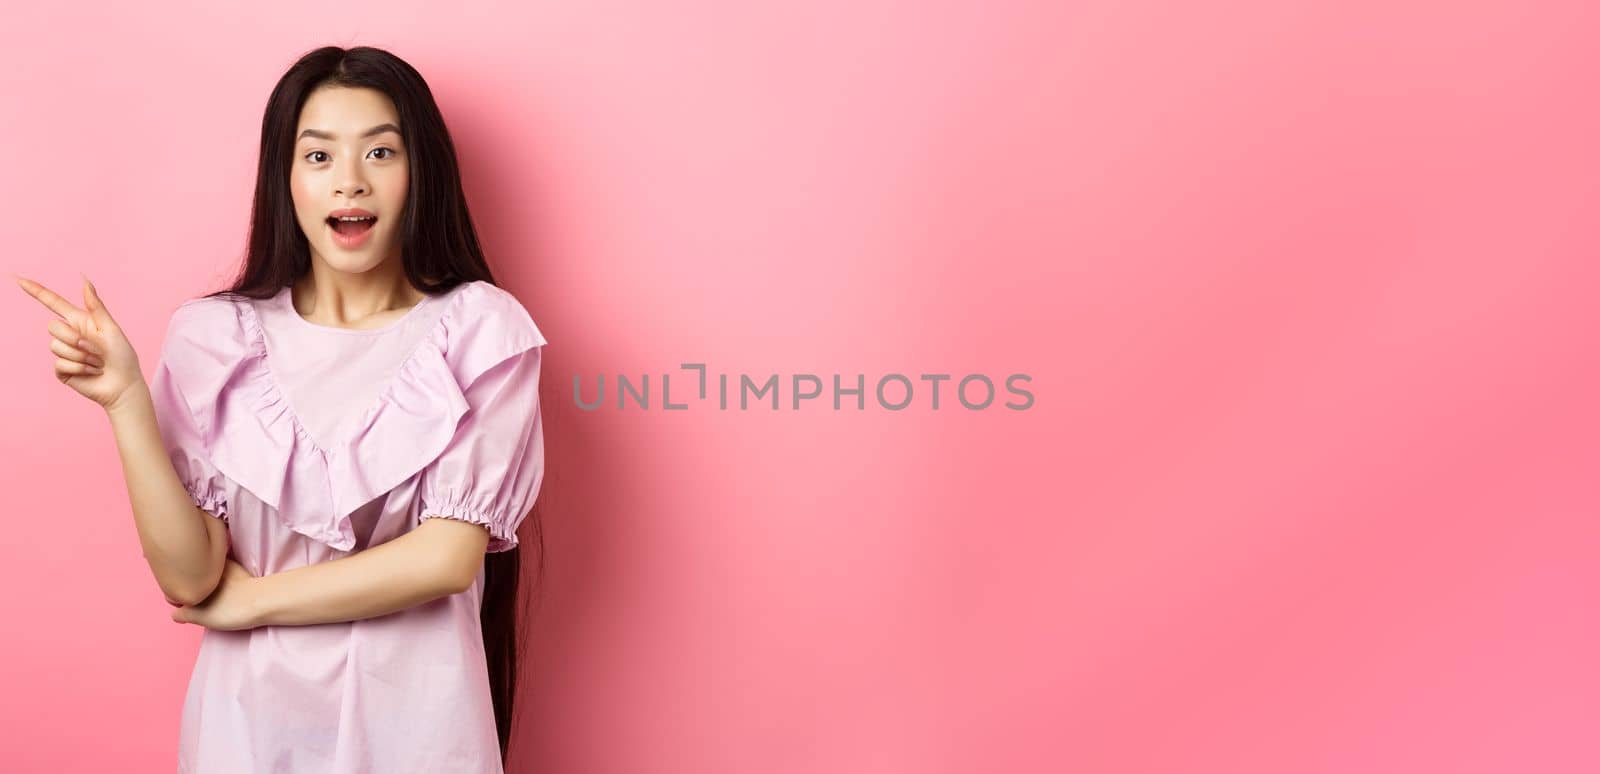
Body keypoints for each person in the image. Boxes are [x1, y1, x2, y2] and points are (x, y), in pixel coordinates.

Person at [14, 45, 547, 773]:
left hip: (420, 732)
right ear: (285, 177)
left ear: (421, 172)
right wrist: (127, 401)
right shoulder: (214, 339)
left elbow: (445, 559)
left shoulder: (481, 331)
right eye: (319, 156)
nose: (350, 182)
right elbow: (190, 578)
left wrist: (254, 604)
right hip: (246, 731)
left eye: (381, 152)